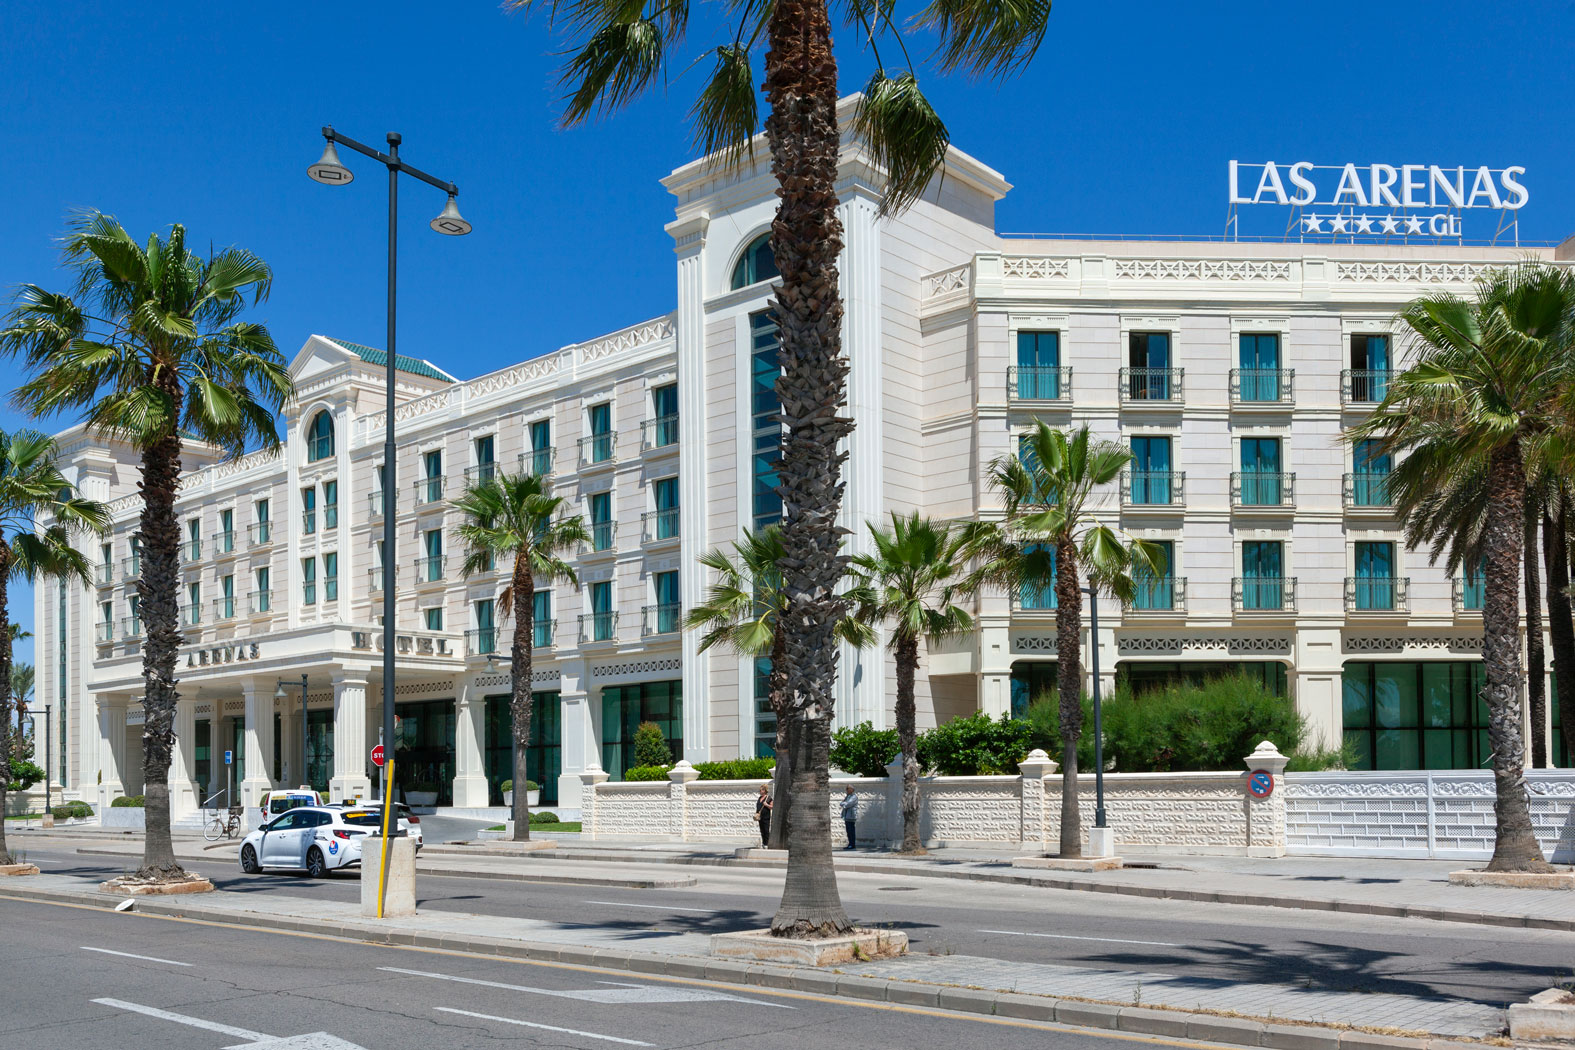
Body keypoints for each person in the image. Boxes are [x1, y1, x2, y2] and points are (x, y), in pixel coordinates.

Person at [840, 785, 857, 850]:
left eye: (847, 789)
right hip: (847, 816)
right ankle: (850, 843)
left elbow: (848, 804)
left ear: (851, 790)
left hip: (851, 816)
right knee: (848, 831)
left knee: (851, 831)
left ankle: (852, 844)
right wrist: (844, 803)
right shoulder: (847, 796)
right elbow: (841, 803)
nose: (846, 790)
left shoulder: (854, 797)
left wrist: (844, 804)